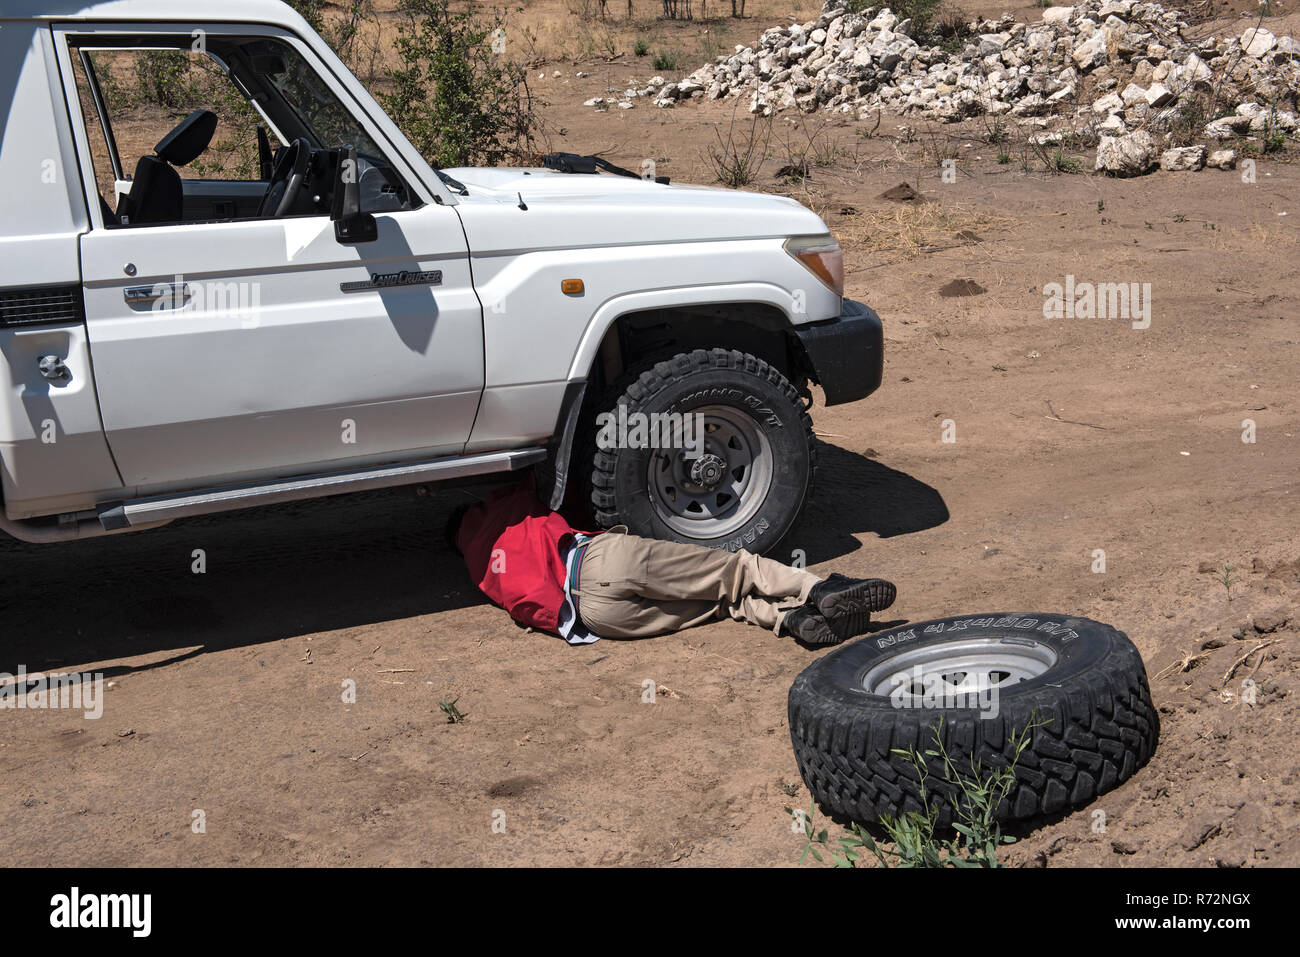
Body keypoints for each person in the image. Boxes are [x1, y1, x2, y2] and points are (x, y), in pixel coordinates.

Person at [450, 476, 895, 646]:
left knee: (720, 603)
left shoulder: (483, 574)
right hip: (600, 562)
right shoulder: (500, 515)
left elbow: (530, 608)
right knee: (734, 571)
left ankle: (792, 622)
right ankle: (817, 588)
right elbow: (545, 486)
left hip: (599, 617)